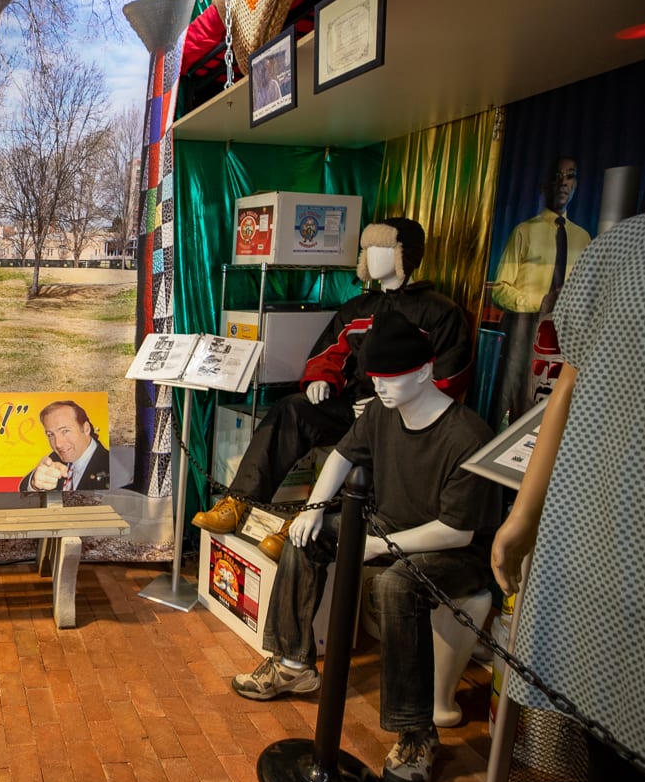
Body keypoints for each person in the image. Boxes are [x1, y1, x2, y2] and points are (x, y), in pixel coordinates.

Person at [232, 312, 501, 782]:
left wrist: (377, 544)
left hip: (452, 548)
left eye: (390, 376)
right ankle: (293, 664)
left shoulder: (466, 435)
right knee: (305, 535)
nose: (379, 385)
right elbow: (342, 454)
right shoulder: (383, 410)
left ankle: (416, 733)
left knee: (397, 585)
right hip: (391, 526)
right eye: (374, 375)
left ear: (423, 372)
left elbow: (456, 532)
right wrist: (314, 507)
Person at [490, 197, 645, 782]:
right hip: (612, 551)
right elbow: (570, 384)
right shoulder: (627, 247)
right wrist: (524, 513)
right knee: (620, 771)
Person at [195, 218, 471, 546]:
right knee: (292, 409)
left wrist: (394, 406)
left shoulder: (439, 312)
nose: (371, 255)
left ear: (403, 255)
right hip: (350, 406)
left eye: (381, 248)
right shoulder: (358, 307)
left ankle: (300, 530)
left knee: (361, 452)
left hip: (399, 419)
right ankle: (240, 501)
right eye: (367, 248)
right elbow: (330, 351)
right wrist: (320, 379)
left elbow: (448, 376)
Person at [489, 157, 591, 427]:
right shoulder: (524, 231)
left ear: (576, 184)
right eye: (558, 176)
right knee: (512, 397)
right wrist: (540, 302)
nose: (563, 183)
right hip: (522, 329)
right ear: (545, 184)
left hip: (563, 336)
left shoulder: (584, 238)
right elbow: (498, 290)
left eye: (570, 176)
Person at [20, 400, 111, 492]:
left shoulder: (111, 466)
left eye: (65, 431)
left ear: (86, 429)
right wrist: (34, 484)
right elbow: (24, 487)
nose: (58, 444)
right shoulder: (55, 458)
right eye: (50, 434)